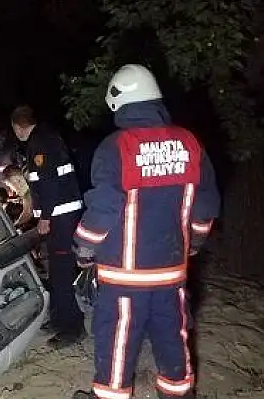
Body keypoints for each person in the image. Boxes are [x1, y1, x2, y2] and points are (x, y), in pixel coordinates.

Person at [71, 65, 220, 399]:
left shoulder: (115, 146)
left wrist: (83, 248)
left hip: (124, 279)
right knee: (173, 343)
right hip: (172, 276)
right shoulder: (189, 142)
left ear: (118, 103)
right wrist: (193, 243)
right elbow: (205, 205)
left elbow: (103, 209)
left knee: (118, 345)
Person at [10, 105, 85, 348]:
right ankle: (58, 318)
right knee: (55, 270)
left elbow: (49, 183)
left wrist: (46, 217)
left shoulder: (40, 142)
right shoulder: (46, 138)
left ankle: (72, 327)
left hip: (61, 218)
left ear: (18, 126)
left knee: (62, 273)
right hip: (61, 216)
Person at [1, 165, 34, 229]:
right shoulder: (31, 186)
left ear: (18, 180)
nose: (12, 190)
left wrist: (12, 227)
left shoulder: (28, 194)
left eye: (10, 185)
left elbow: (27, 214)